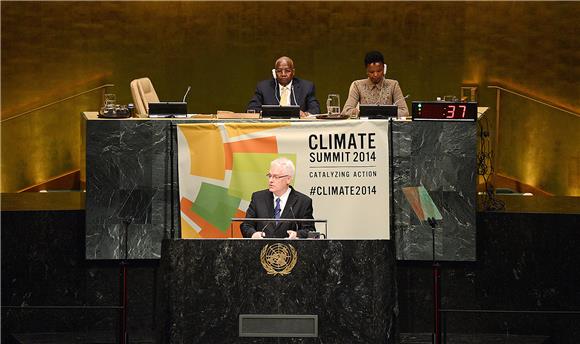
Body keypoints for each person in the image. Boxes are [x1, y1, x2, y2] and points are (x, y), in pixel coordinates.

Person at [241, 157, 315, 239]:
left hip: (291, 250)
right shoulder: (258, 198)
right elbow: (246, 225)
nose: (271, 180)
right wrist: (253, 234)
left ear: (288, 179)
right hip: (261, 249)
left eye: (276, 177)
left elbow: (309, 230)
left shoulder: (303, 202)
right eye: (269, 176)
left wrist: (297, 235)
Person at [341, 51, 409, 118]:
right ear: (367, 71)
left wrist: (384, 113)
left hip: (386, 126)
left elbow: (405, 112)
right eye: (371, 72)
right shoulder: (357, 85)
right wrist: (361, 113)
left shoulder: (393, 85)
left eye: (379, 71)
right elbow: (345, 111)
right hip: (365, 127)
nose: (375, 75)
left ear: (384, 69)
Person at [247, 56, 320, 117]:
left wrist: (305, 114)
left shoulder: (306, 87)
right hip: (271, 127)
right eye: (279, 71)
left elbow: (315, 110)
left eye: (287, 71)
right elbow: (252, 108)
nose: (283, 74)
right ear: (275, 73)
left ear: (293, 72)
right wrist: (267, 114)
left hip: (297, 128)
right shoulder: (263, 87)